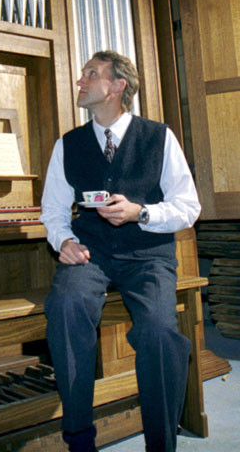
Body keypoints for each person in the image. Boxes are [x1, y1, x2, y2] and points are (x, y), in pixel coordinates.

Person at [40, 50, 201, 452]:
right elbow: (53, 209)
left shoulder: (159, 137)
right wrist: (65, 242)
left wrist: (140, 212)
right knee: (65, 307)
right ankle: (79, 437)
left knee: (160, 333)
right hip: (90, 253)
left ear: (116, 86)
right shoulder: (68, 145)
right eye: (81, 74)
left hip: (148, 255)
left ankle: (161, 444)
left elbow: (188, 206)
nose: (80, 81)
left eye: (90, 74)